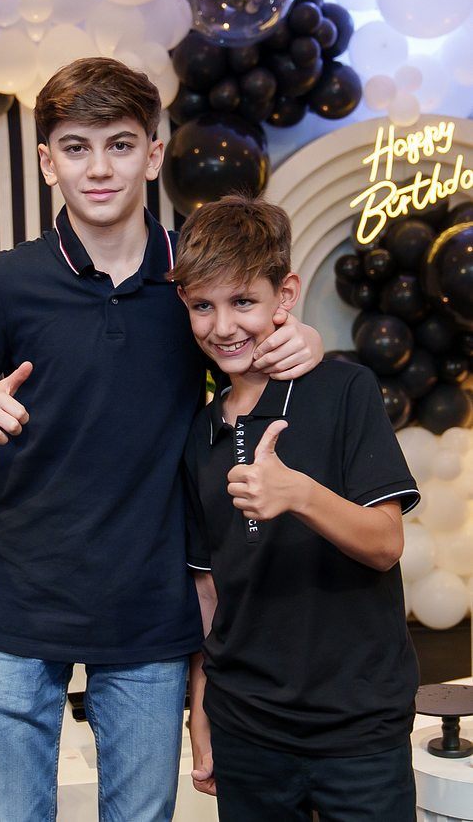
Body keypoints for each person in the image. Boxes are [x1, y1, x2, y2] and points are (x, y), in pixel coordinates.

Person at [0, 58, 323, 822]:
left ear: (153, 153)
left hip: (149, 608)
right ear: (47, 162)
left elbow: (260, 351)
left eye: (120, 144)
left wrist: (305, 339)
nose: (98, 168)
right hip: (21, 604)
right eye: (76, 147)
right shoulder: (9, 282)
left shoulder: (190, 282)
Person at [173, 195, 420, 822]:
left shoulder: (344, 390)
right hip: (247, 728)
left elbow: (385, 543)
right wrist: (201, 710)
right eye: (202, 306)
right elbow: (208, 590)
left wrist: (299, 494)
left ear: (285, 294)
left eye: (242, 302)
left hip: (359, 727)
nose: (222, 326)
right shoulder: (199, 435)